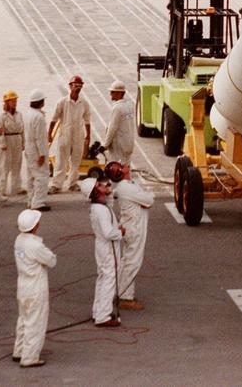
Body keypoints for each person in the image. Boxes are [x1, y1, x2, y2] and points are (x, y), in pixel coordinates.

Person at [13, 208, 56, 368]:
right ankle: (29, 357)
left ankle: (19, 350)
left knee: (23, 319)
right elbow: (51, 260)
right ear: (35, 226)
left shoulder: (19, 240)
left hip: (23, 285)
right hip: (35, 287)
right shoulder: (35, 245)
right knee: (35, 322)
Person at [110, 161, 154, 310]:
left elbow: (146, 201)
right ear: (121, 173)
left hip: (132, 226)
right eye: (121, 167)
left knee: (127, 260)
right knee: (133, 262)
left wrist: (144, 200)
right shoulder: (127, 189)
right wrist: (145, 200)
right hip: (134, 229)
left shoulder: (127, 186)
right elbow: (149, 200)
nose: (124, 165)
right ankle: (125, 297)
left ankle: (121, 291)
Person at [81, 176, 123, 327]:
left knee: (103, 277)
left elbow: (109, 204)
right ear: (95, 191)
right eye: (99, 185)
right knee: (109, 279)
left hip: (101, 246)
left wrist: (108, 191)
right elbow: (108, 233)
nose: (103, 184)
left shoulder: (98, 207)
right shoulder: (101, 210)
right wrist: (121, 233)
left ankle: (98, 311)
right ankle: (103, 315)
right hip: (108, 247)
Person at [48, 75, 90, 194]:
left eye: (80, 86)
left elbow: (87, 120)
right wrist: (49, 134)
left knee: (76, 160)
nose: (78, 88)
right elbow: (54, 119)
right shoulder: (62, 102)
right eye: (76, 85)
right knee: (61, 160)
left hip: (78, 135)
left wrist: (88, 136)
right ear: (70, 86)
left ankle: (73, 183)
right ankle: (56, 184)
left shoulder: (84, 103)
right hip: (65, 135)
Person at [23, 89, 51, 211]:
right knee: (42, 176)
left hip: (29, 149)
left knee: (31, 176)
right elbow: (39, 138)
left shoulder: (28, 114)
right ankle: (38, 202)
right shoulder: (39, 117)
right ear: (41, 102)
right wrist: (42, 154)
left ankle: (31, 200)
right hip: (36, 150)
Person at [100, 79, 136, 166]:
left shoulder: (117, 108)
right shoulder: (129, 105)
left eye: (112, 92)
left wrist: (105, 145)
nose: (110, 94)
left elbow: (112, 129)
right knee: (126, 168)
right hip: (128, 144)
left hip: (119, 147)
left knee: (116, 171)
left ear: (119, 93)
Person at [0, 90, 26, 197]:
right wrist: (2, 143)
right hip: (7, 139)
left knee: (17, 164)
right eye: (12, 101)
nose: (14, 103)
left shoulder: (19, 115)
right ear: (6, 102)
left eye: (15, 101)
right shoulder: (1, 116)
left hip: (17, 138)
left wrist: (23, 142)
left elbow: (22, 129)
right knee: (5, 165)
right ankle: (2, 188)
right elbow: (0, 130)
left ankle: (16, 187)